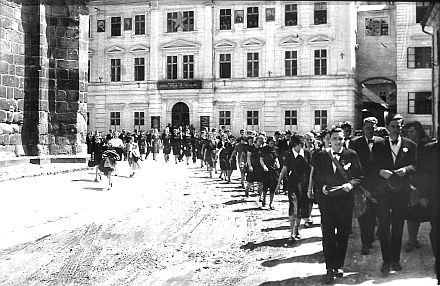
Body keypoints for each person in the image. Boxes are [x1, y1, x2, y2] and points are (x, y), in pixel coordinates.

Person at [311, 127, 364, 284]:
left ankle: (339, 265)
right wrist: (320, 189)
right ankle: (329, 267)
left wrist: (351, 184)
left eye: (341, 139)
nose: (338, 142)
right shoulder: (320, 155)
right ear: (329, 139)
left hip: (344, 200)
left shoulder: (351, 155)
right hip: (327, 201)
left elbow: (360, 176)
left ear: (344, 139)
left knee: (342, 234)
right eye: (335, 138)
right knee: (328, 234)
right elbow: (315, 177)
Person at [374, 113, 417, 275]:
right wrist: (380, 171)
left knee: (398, 226)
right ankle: (386, 261)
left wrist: (406, 170)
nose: (397, 129)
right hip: (384, 193)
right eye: (393, 126)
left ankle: (395, 260)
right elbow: (371, 167)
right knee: (384, 227)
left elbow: (415, 166)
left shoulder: (410, 145)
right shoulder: (379, 145)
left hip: (401, 193)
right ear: (387, 127)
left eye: (399, 126)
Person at [349, 117, 383, 255]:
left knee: (375, 214)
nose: (371, 130)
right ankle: (365, 242)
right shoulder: (354, 143)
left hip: (378, 185)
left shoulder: (381, 142)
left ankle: (372, 236)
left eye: (373, 128)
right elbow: (351, 166)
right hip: (362, 185)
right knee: (364, 215)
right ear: (363, 128)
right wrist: (359, 187)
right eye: (368, 127)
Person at [276, 134, 311, 243]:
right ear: (296, 144)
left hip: (304, 184)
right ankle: (291, 233)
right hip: (292, 183)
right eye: (302, 142)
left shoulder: (307, 153)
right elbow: (284, 169)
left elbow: (311, 171)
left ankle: (296, 231)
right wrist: (278, 183)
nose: (304, 144)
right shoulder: (289, 154)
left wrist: (311, 186)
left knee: (300, 208)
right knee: (293, 206)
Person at [403, 121, 430, 252]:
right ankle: (412, 240)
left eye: (412, 131)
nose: (410, 134)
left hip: (425, 184)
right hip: (411, 184)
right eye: (408, 132)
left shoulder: (426, 146)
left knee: (427, 212)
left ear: (419, 132)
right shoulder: (407, 146)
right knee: (412, 213)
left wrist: (423, 191)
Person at [417, 138, 439, 283]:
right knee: (436, 230)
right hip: (435, 197)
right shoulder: (429, 149)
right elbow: (423, 174)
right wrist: (423, 194)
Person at [260, 136, 280, 209]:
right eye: (271, 143)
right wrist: (264, 166)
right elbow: (261, 159)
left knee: (273, 186)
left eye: (274, 143)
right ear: (268, 143)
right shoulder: (263, 149)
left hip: (273, 170)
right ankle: (264, 199)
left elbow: (276, 157)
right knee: (265, 186)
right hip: (266, 170)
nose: (273, 144)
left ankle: (271, 203)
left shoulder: (275, 149)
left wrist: (277, 163)